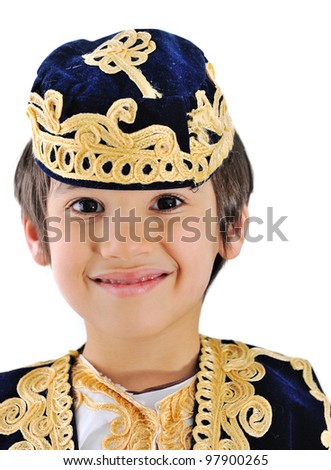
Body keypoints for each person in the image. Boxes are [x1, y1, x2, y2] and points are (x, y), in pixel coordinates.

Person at [0, 29, 330, 451]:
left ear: (229, 227)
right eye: (86, 207)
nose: (125, 244)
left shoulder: (291, 406)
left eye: (167, 202)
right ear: (37, 234)